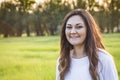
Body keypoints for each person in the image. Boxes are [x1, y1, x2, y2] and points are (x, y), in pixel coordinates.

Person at [56, 9, 118, 80]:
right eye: (69, 27)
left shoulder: (104, 59)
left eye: (79, 27)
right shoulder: (62, 60)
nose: (73, 31)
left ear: (88, 30)